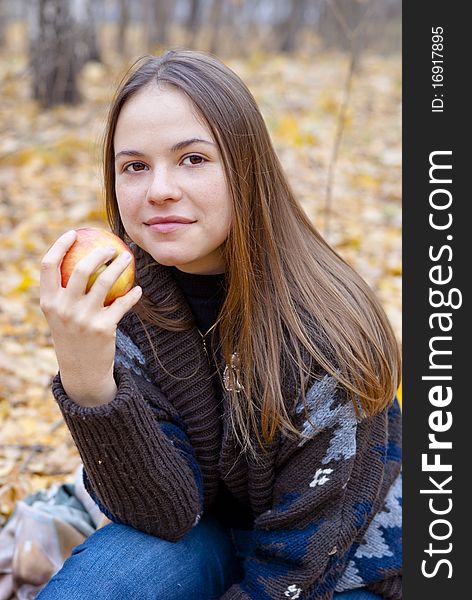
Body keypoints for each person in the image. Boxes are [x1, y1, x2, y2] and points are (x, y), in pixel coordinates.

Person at [37, 49, 402, 600]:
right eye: (134, 166)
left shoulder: (324, 331)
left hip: (343, 567)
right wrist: (89, 381)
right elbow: (162, 513)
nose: (158, 189)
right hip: (207, 533)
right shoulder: (123, 299)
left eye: (192, 159)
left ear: (246, 166)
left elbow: (301, 565)